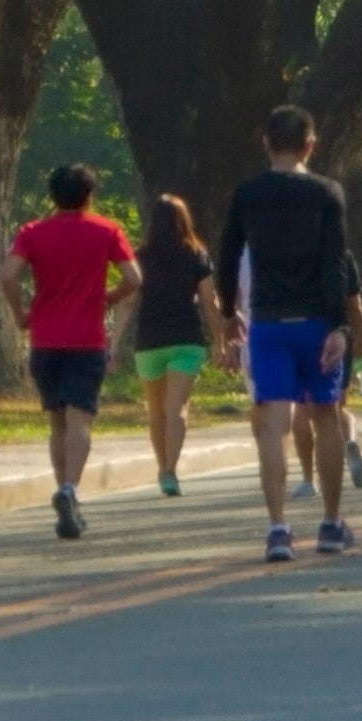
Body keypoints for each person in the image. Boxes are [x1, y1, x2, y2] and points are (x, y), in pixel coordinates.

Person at [216, 106, 362, 561]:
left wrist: (228, 312)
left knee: (271, 422)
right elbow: (335, 263)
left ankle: (279, 528)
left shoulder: (248, 193)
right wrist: (341, 326)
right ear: (310, 145)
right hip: (317, 322)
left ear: (266, 142)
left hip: (267, 324)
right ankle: (330, 523)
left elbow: (226, 256)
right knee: (325, 416)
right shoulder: (327, 192)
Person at [6, 163, 136, 539]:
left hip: (45, 339)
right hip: (86, 339)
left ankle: (64, 488)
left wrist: (20, 314)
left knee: (58, 421)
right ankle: (69, 490)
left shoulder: (32, 233)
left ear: (53, 195)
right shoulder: (107, 230)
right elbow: (134, 278)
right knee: (81, 420)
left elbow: (7, 275)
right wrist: (109, 297)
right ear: (90, 195)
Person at [129, 194, 217, 498]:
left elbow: (128, 302)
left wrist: (112, 343)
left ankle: (162, 467)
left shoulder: (139, 257)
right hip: (186, 340)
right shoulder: (197, 255)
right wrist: (220, 341)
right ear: (184, 221)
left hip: (150, 341)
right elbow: (209, 301)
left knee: (156, 411)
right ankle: (170, 470)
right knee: (176, 409)